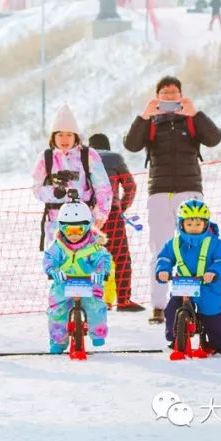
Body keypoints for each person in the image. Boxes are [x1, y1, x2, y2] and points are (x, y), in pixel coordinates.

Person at [124, 75, 221, 324]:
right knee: (159, 249)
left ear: (181, 95)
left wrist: (195, 114)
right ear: (157, 97)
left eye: (173, 92)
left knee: (197, 247)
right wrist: (144, 116)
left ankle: (197, 301)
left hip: (190, 190)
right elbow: (131, 145)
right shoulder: (151, 122)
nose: (169, 97)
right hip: (159, 191)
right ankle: (159, 305)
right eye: (164, 93)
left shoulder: (191, 120)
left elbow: (214, 139)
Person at [154, 199, 221, 355]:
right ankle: (176, 339)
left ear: (206, 224)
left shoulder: (215, 243)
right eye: (189, 224)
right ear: (181, 224)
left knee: (212, 311)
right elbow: (165, 258)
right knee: (172, 309)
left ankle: (219, 344)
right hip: (183, 284)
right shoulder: (175, 243)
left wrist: (214, 272)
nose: (194, 228)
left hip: (207, 286)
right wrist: (163, 270)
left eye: (198, 224)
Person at [31, 106, 112, 252]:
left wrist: (101, 214)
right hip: (56, 225)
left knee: (85, 261)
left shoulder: (88, 155)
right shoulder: (46, 158)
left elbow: (103, 187)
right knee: (58, 262)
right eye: (60, 134)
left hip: (84, 222)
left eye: (69, 134)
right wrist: (56, 192)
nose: (64, 139)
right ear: (53, 137)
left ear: (76, 136)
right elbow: (36, 189)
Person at [43, 198, 112, 353]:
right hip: (63, 282)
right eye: (69, 230)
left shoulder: (94, 246)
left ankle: (98, 332)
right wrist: (53, 270)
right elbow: (49, 259)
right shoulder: (58, 246)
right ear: (61, 227)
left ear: (87, 227)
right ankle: (58, 340)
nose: (74, 235)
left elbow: (103, 259)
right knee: (57, 310)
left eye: (79, 230)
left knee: (95, 305)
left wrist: (101, 271)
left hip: (90, 281)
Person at [87, 132, 141, 311]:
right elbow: (130, 186)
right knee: (121, 258)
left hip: (87, 216)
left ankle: (90, 298)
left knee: (87, 257)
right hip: (111, 215)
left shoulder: (83, 158)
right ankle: (124, 300)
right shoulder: (115, 158)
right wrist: (121, 207)